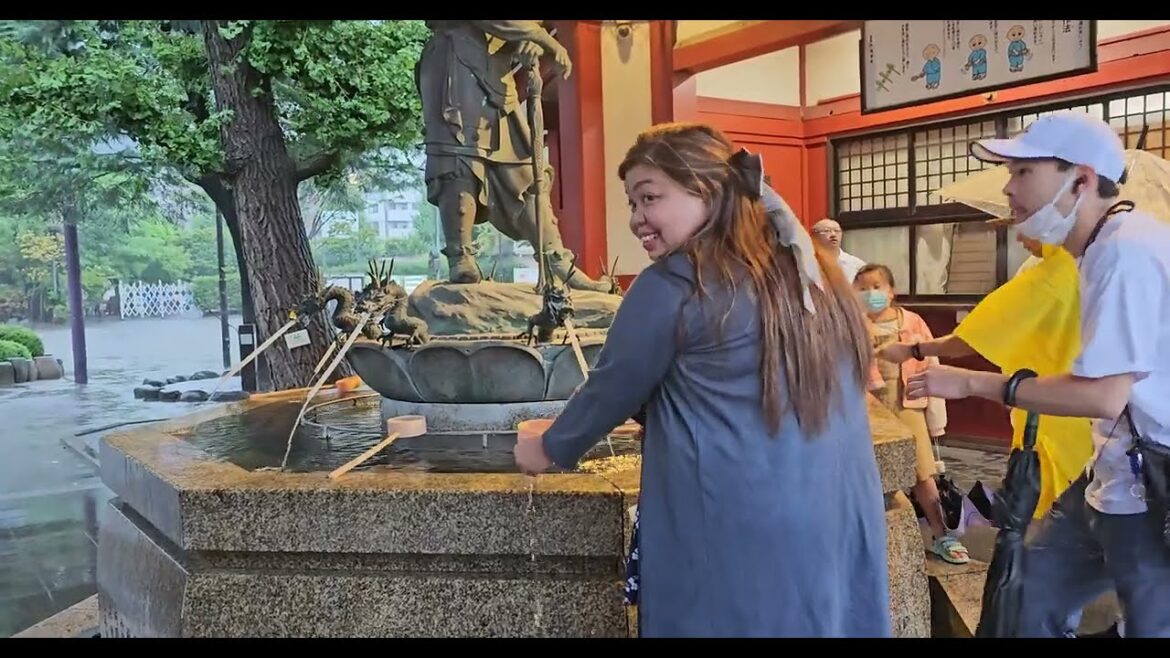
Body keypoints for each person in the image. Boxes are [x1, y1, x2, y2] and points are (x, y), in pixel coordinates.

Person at [513, 122, 892, 638]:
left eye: (650, 198)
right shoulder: (814, 272)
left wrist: (549, 447)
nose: (636, 219)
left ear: (708, 190)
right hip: (839, 516)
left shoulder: (674, 283)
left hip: (736, 527)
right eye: (632, 202)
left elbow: (610, 388)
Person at [903, 110, 1170, 637]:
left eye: (1024, 172)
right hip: (1109, 473)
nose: (1009, 187)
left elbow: (1104, 396)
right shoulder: (1099, 248)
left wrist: (973, 382)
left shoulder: (1124, 251)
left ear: (1082, 179)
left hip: (1150, 487)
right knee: (1026, 598)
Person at [854, 264, 969, 564]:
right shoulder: (850, 322)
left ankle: (942, 534)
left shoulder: (912, 322)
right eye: (863, 288)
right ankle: (878, 538)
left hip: (907, 403)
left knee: (922, 471)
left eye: (877, 286)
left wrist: (936, 416)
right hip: (865, 409)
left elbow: (931, 362)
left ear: (892, 291)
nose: (870, 294)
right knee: (871, 475)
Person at [811, 218, 867, 283]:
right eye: (827, 231)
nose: (833, 235)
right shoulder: (808, 263)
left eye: (837, 231)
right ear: (814, 236)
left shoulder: (857, 265)